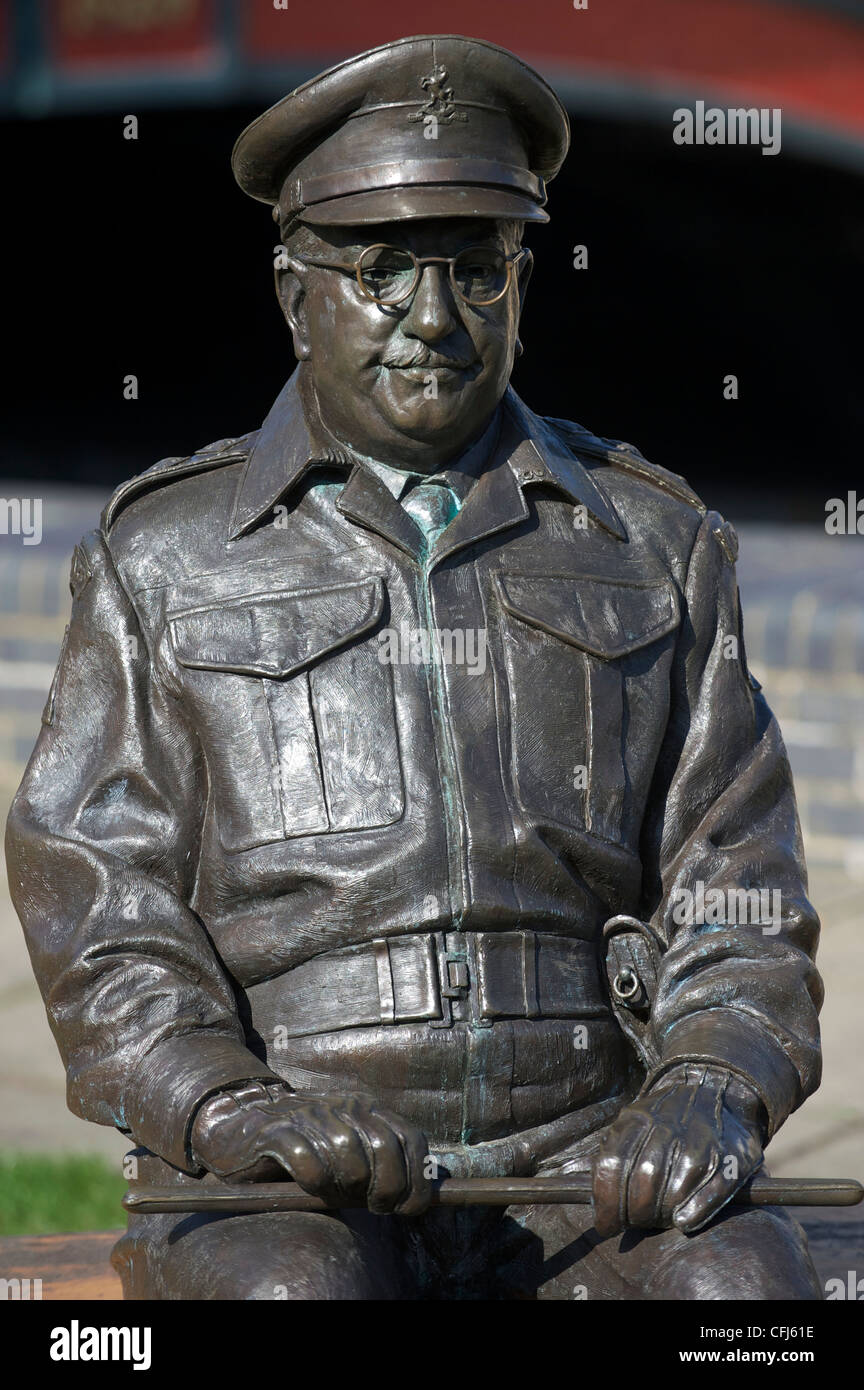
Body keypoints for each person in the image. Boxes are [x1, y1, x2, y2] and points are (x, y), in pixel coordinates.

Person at [6, 34, 823, 1300]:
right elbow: (99, 901)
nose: (435, 321)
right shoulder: (163, 559)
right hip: (291, 1169)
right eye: (383, 271)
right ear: (295, 296)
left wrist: (712, 1083)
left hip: (586, 1162)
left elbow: (739, 878)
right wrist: (223, 1106)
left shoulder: (651, 539)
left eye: (479, 273)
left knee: (747, 1303)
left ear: (524, 281)